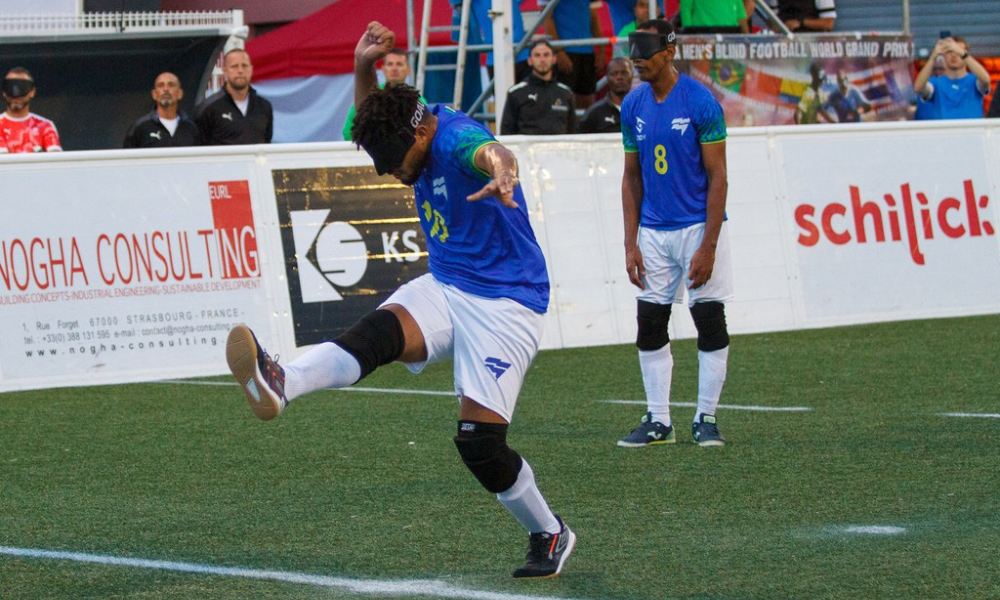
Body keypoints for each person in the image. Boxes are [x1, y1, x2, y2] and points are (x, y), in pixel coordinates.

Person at [226, 21, 576, 580]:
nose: (386, 173)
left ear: (418, 140)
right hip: (447, 284)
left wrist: (504, 172)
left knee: (479, 445)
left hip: (508, 303)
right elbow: (371, 118)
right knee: (375, 334)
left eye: (390, 163)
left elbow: (493, 151)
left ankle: (549, 531)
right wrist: (363, 65)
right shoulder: (405, 121)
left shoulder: (455, 139)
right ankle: (283, 381)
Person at [617, 19, 733, 448]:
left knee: (708, 318)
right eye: (634, 57)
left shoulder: (701, 102)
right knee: (649, 323)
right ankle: (658, 419)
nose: (638, 64)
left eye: (645, 56)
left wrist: (710, 243)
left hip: (698, 227)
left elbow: (718, 176)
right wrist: (630, 242)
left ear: (669, 52)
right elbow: (631, 178)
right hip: (653, 231)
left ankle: (705, 417)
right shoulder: (632, 105)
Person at [342, 48, 426, 141]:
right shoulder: (370, 95)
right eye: (390, 64)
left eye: (399, 64)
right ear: (383, 69)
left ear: (408, 70)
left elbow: (426, 130)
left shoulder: (418, 99)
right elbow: (348, 131)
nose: (394, 68)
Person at [195, 48, 273, 145]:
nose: (240, 71)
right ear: (225, 71)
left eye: (244, 66)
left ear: (251, 69)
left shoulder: (264, 106)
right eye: (234, 66)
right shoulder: (208, 108)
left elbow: (266, 143)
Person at [501, 40, 578, 135]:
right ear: (530, 61)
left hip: (558, 149)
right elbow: (506, 132)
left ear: (554, 59)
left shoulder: (565, 93)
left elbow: (573, 131)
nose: (542, 60)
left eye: (546, 55)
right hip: (525, 149)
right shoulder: (516, 93)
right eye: (537, 55)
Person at [539, 0, 603, 109]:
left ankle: (583, 126)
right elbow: (546, 17)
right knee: (561, 100)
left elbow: (594, 17)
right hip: (565, 50)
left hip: (587, 50)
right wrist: (558, 51)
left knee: (586, 99)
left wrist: (601, 50)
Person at [913, 35, 991, 120]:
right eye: (949, 51)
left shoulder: (974, 82)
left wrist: (964, 55)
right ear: (943, 55)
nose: (954, 55)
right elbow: (918, 88)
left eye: (957, 51)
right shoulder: (935, 84)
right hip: (945, 132)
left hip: (972, 132)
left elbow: (986, 80)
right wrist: (933, 57)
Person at [123, 72, 201, 148]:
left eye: (171, 85)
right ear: (154, 94)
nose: (166, 89)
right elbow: (127, 159)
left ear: (179, 93)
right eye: (160, 85)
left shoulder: (190, 128)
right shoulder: (140, 128)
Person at [0, 67, 62, 153]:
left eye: (22, 88)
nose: (16, 95)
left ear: (32, 92)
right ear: (4, 92)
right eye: (10, 88)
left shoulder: (45, 126)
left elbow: (55, 160)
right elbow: (4, 162)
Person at [579, 57, 634, 133]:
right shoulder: (594, 113)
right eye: (614, 74)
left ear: (632, 76)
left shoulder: (644, 109)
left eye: (624, 73)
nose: (619, 77)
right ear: (607, 78)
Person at [678, 0, 749, 34]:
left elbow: (741, 16)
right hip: (703, 35)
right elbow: (685, 9)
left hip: (730, 37)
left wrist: (747, 40)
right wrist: (689, 36)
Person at [766, 0, 836, 33]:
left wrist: (801, 23)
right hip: (785, 44)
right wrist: (782, 26)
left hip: (812, 43)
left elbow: (828, 23)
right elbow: (772, 21)